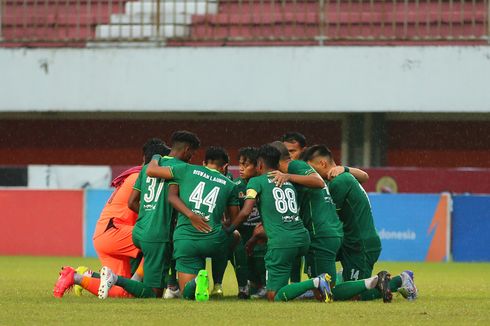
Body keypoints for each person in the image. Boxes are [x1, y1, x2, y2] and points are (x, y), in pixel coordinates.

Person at [52, 138, 171, 298]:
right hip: (115, 232)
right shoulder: (145, 178)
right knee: (159, 238)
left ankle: (78, 276)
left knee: (123, 290)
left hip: (105, 234)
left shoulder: (134, 175)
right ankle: (168, 286)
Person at [303, 145, 418, 301]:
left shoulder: (339, 182)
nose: (310, 174)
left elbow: (327, 217)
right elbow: (364, 176)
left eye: (311, 169)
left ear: (323, 164)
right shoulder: (342, 177)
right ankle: (319, 285)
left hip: (360, 245)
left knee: (355, 295)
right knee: (318, 248)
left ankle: (401, 280)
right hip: (350, 241)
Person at [97, 130, 201, 299]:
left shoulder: (146, 168)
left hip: (140, 230)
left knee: (167, 254)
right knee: (153, 294)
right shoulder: (181, 168)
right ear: (187, 149)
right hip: (157, 236)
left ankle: (169, 284)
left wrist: (149, 213)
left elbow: (132, 202)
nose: (192, 157)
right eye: (193, 153)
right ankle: (115, 278)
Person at [227, 144, 332, 302]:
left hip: (282, 243)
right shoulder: (288, 181)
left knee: (273, 296)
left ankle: (316, 282)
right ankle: (314, 286)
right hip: (302, 238)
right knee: (284, 289)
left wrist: (229, 230)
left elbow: (246, 211)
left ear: (260, 165)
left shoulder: (256, 182)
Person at [154, 146, 240, 301]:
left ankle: (196, 281)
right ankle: (218, 284)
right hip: (213, 239)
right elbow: (234, 219)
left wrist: (191, 215)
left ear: (203, 162)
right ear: (225, 166)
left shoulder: (185, 169)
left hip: (187, 240)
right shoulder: (230, 185)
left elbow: (154, 175)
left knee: (187, 293)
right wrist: (220, 226)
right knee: (233, 236)